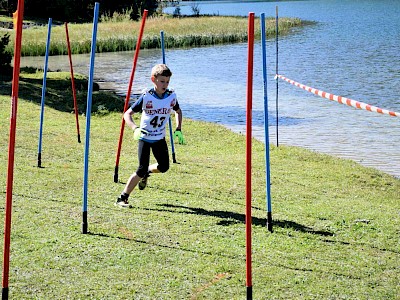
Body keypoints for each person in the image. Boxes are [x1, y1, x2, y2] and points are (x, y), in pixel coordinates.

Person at [116, 64, 183, 208]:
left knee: (164, 167)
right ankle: (122, 198)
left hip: (159, 138)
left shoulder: (171, 96)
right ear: (154, 80)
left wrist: (178, 128)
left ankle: (148, 171)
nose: (165, 84)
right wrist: (135, 128)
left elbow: (178, 111)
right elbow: (127, 114)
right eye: (162, 81)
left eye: (167, 81)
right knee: (140, 169)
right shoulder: (147, 97)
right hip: (145, 138)